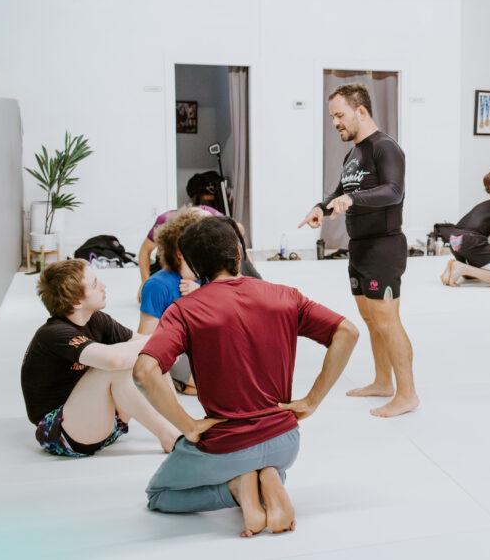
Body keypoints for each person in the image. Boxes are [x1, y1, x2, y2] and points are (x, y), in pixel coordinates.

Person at [134, 217, 359, 537]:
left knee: (157, 496)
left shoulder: (185, 310)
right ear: (238, 255)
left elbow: (144, 370)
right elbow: (347, 332)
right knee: (262, 458)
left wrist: (189, 426)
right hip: (285, 442)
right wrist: (311, 401)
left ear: (195, 269)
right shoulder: (286, 295)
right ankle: (269, 477)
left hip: (225, 446)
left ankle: (237, 488)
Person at [298, 83, 418, 418]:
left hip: (384, 245)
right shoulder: (353, 154)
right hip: (359, 247)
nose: (335, 122)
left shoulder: (385, 148)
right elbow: (340, 191)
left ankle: (407, 394)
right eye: (332, 116)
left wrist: (353, 199)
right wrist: (321, 207)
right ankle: (383, 382)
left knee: (387, 320)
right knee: (371, 318)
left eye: (339, 114)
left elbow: (393, 191)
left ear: (360, 111)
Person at [21, 259, 180, 458]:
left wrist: (165, 347)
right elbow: (114, 360)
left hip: (106, 422)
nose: (104, 286)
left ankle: (180, 423)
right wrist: (165, 339)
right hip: (63, 432)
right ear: (77, 302)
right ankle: (170, 437)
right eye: (95, 284)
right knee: (113, 365)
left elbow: (142, 342)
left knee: (151, 356)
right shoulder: (53, 334)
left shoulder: (96, 319)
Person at [137, 207, 209, 395]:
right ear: (180, 252)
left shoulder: (211, 278)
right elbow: (146, 339)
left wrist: (202, 294)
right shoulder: (157, 285)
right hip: (178, 353)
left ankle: (185, 385)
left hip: (207, 347)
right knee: (217, 388)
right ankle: (181, 383)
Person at [138, 204, 260, 301]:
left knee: (247, 278)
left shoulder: (217, 225)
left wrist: (201, 288)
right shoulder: (164, 221)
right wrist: (145, 282)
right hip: (170, 257)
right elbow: (144, 252)